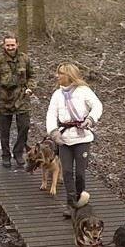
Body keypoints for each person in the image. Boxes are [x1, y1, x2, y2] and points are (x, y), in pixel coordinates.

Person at [45, 63, 103, 214]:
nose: (57, 76)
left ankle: (80, 201)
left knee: (80, 173)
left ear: (70, 75)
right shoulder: (57, 94)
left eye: (61, 73)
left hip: (82, 138)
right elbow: (51, 114)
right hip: (64, 139)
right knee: (67, 172)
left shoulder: (84, 91)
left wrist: (90, 119)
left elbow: (97, 105)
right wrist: (53, 132)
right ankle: (70, 204)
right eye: (58, 73)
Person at [0, 35, 36, 168]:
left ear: (17, 44)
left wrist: (30, 88)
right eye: (7, 45)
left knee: (24, 126)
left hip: (21, 98)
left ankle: (18, 152)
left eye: (12, 45)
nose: (10, 48)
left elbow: (32, 75)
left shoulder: (25, 59)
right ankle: (5, 155)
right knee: (4, 130)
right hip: (4, 98)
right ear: (4, 45)